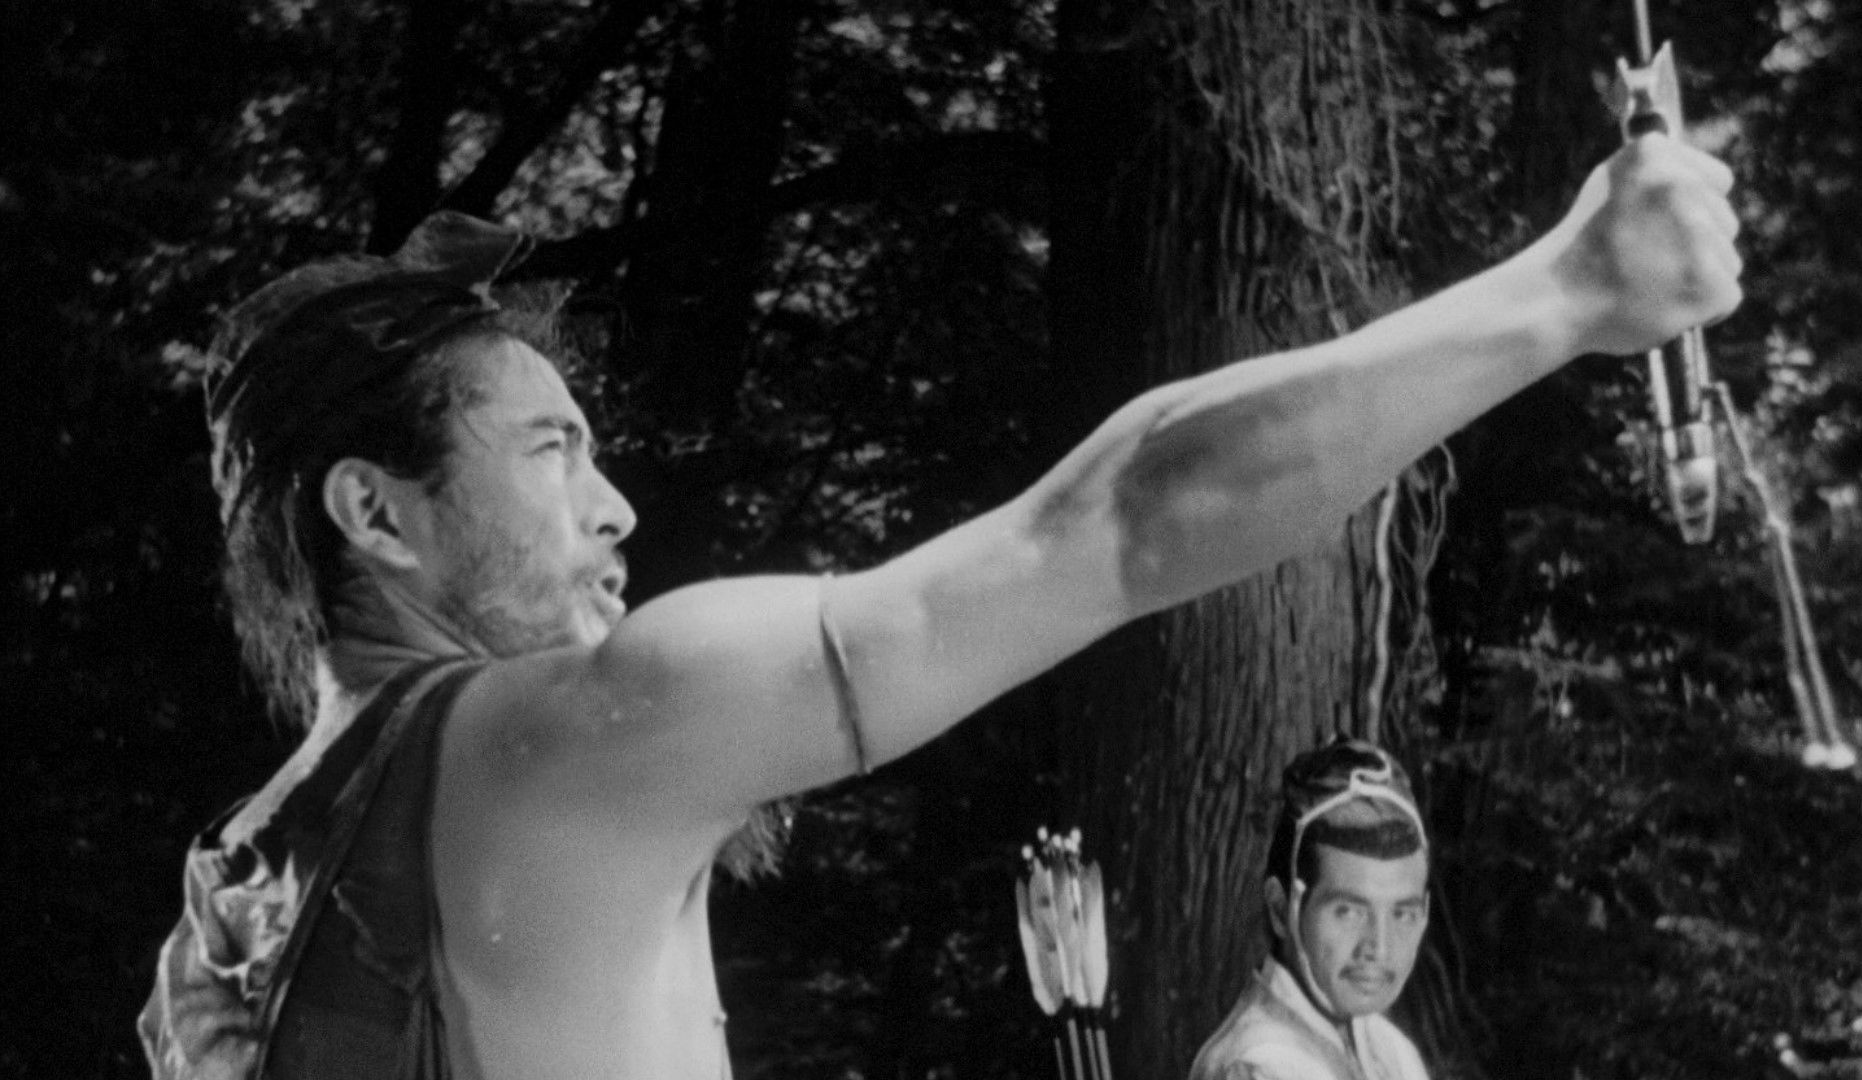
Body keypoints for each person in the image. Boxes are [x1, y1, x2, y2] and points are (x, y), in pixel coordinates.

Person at [139, 129, 1741, 1080]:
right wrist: (1568, 290)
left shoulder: (222, 923)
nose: (614, 508)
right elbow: (1119, 522)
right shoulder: (562, 743)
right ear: (376, 514)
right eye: (551, 452)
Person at [1188, 738, 1434, 1080]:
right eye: (1349, 912)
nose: (1379, 947)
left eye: (1402, 914)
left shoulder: (1392, 1050)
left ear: (1424, 915)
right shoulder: (1259, 1066)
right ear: (1280, 909)